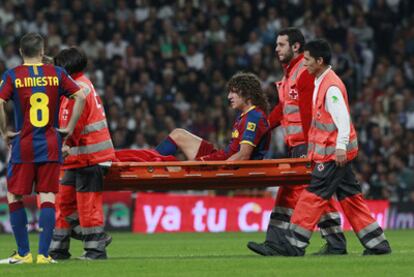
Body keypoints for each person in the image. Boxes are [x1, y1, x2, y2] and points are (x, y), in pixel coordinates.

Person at [269, 39, 391, 256]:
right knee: (351, 198)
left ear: (319, 60)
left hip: (334, 155)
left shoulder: (330, 86)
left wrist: (341, 148)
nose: (304, 64)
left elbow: (343, 119)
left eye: (307, 60)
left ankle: (294, 243)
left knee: (313, 194)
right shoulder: (322, 81)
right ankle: (377, 244)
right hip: (333, 153)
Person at [248, 28, 347, 256]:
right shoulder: (291, 72)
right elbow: (284, 109)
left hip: (306, 144)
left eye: (281, 45)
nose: (276, 49)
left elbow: (308, 113)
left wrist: (311, 146)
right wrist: (262, 129)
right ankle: (335, 242)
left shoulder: (302, 71)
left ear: (295, 46)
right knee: (310, 192)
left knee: (299, 192)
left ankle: (277, 243)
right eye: (276, 45)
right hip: (298, 144)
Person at [0, 33, 85, 264]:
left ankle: (23, 253)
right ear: (42, 51)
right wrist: (68, 128)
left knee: (14, 195)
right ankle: (44, 255)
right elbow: (81, 96)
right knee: (47, 195)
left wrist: (4, 131)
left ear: (20, 52)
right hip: (50, 144)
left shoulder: (13, 75)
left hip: (24, 145)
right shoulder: (57, 73)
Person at [48, 47, 116, 260]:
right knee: (64, 204)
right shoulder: (83, 83)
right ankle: (59, 250)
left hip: (88, 157)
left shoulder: (75, 90)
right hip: (82, 158)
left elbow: (73, 125)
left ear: (65, 69)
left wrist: (64, 145)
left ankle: (96, 250)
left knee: (87, 206)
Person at [155, 72, 270, 161]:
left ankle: (149, 164)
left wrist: (219, 168)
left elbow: (243, 155)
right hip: (221, 157)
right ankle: (151, 161)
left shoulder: (254, 117)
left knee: (181, 166)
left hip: (223, 163)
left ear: (248, 93)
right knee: (178, 134)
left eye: (234, 92)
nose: (229, 96)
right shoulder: (246, 115)